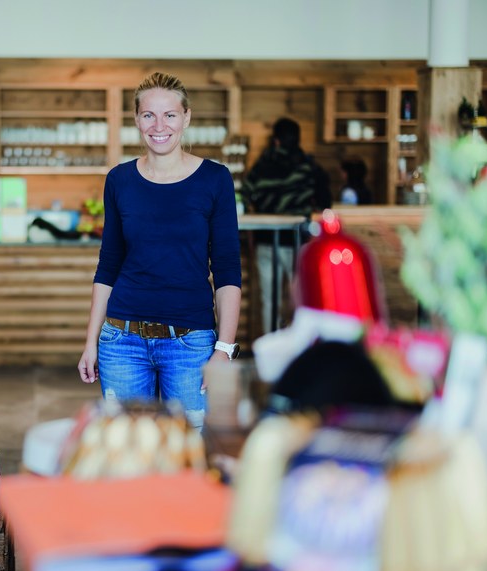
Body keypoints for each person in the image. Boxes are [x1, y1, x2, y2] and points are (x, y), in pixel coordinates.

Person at [77, 72, 242, 432]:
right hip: (121, 342)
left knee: (189, 449)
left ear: (186, 117)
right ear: (136, 120)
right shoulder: (119, 180)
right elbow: (108, 265)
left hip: (191, 344)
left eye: (170, 115)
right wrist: (91, 341)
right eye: (149, 115)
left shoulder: (215, 179)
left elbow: (228, 269)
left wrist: (224, 348)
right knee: (125, 449)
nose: (159, 126)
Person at [240, 117, 331, 334]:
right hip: (297, 241)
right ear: (298, 139)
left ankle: (271, 346)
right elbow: (325, 203)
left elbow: (244, 197)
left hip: (265, 240)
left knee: (269, 300)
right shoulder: (309, 166)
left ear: (276, 140)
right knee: (301, 298)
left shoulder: (261, 165)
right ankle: (298, 348)